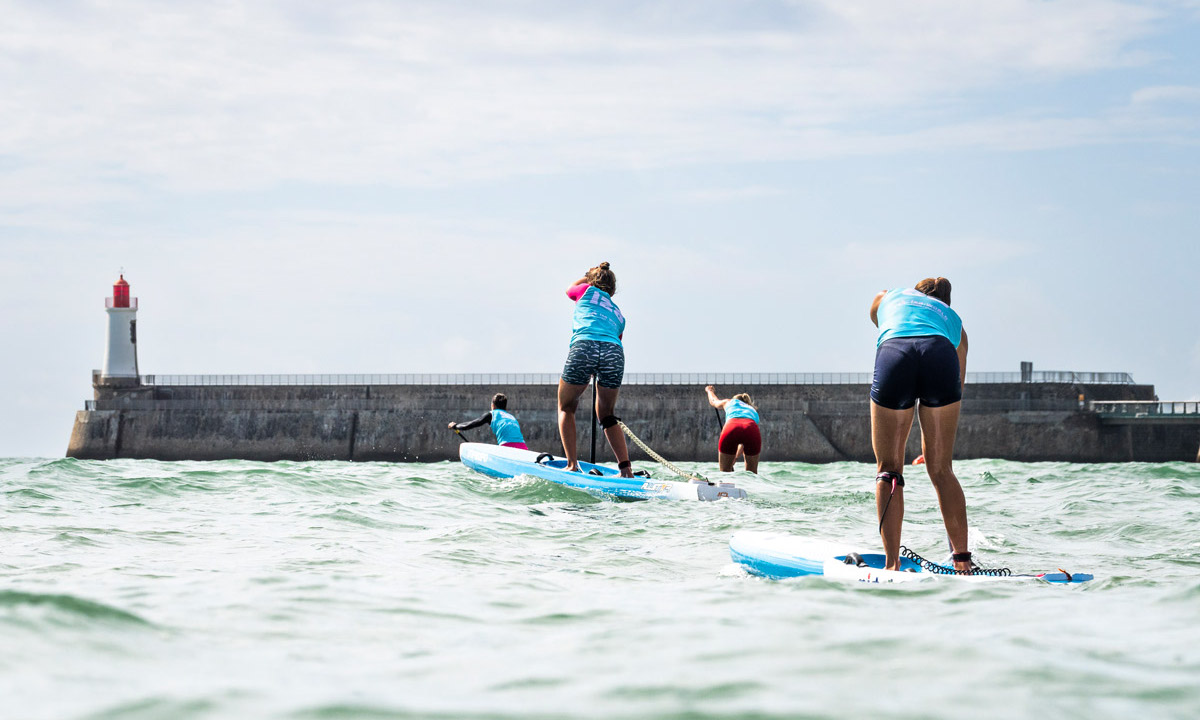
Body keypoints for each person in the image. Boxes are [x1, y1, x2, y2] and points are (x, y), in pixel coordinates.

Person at [869, 277, 972, 573]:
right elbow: (958, 384)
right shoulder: (955, 323)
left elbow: (877, 318)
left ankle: (891, 565)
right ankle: (962, 563)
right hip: (940, 355)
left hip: (895, 353)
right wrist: (935, 440)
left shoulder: (887, 295)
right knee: (942, 470)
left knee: (888, 469)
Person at [558, 262, 634, 477]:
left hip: (585, 345)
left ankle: (572, 465)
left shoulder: (586, 290)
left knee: (566, 407)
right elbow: (615, 340)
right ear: (612, 289)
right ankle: (626, 470)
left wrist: (587, 277)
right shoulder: (619, 314)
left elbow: (569, 288)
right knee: (607, 415)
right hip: (614, 352)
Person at [704, 386, 761, 473]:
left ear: (735, 399)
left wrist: (709, 391)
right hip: (751, 428)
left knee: (725, 473)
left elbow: (713, 401)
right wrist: (735, 457)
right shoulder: (752, 410)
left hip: (731, 427)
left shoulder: (729, 402)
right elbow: (744, 442)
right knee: (752, 474)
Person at [447, 393, 528, 449]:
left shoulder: (492, 414)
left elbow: (471, 424)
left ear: (492, 405)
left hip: (507, 447)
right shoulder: (512, 417)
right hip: (523, 448)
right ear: (505, 406)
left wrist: (456, 426)